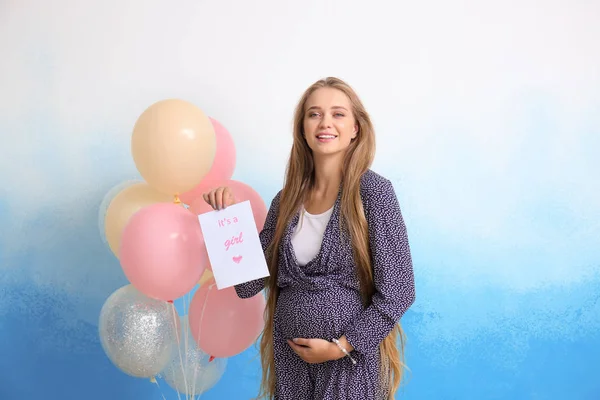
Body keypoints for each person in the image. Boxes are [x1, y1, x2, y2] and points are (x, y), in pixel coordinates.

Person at [203, 77, 416, 400]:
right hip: (292, 362)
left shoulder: (374, 193)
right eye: (314, 114)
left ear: (356, 128)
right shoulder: (286, 200)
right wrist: (228, 220)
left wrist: (342, 348)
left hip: (348, 362)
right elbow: (246, 286)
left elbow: (399, 291)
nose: (325, 123)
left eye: (338, 114)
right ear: (302, 128)